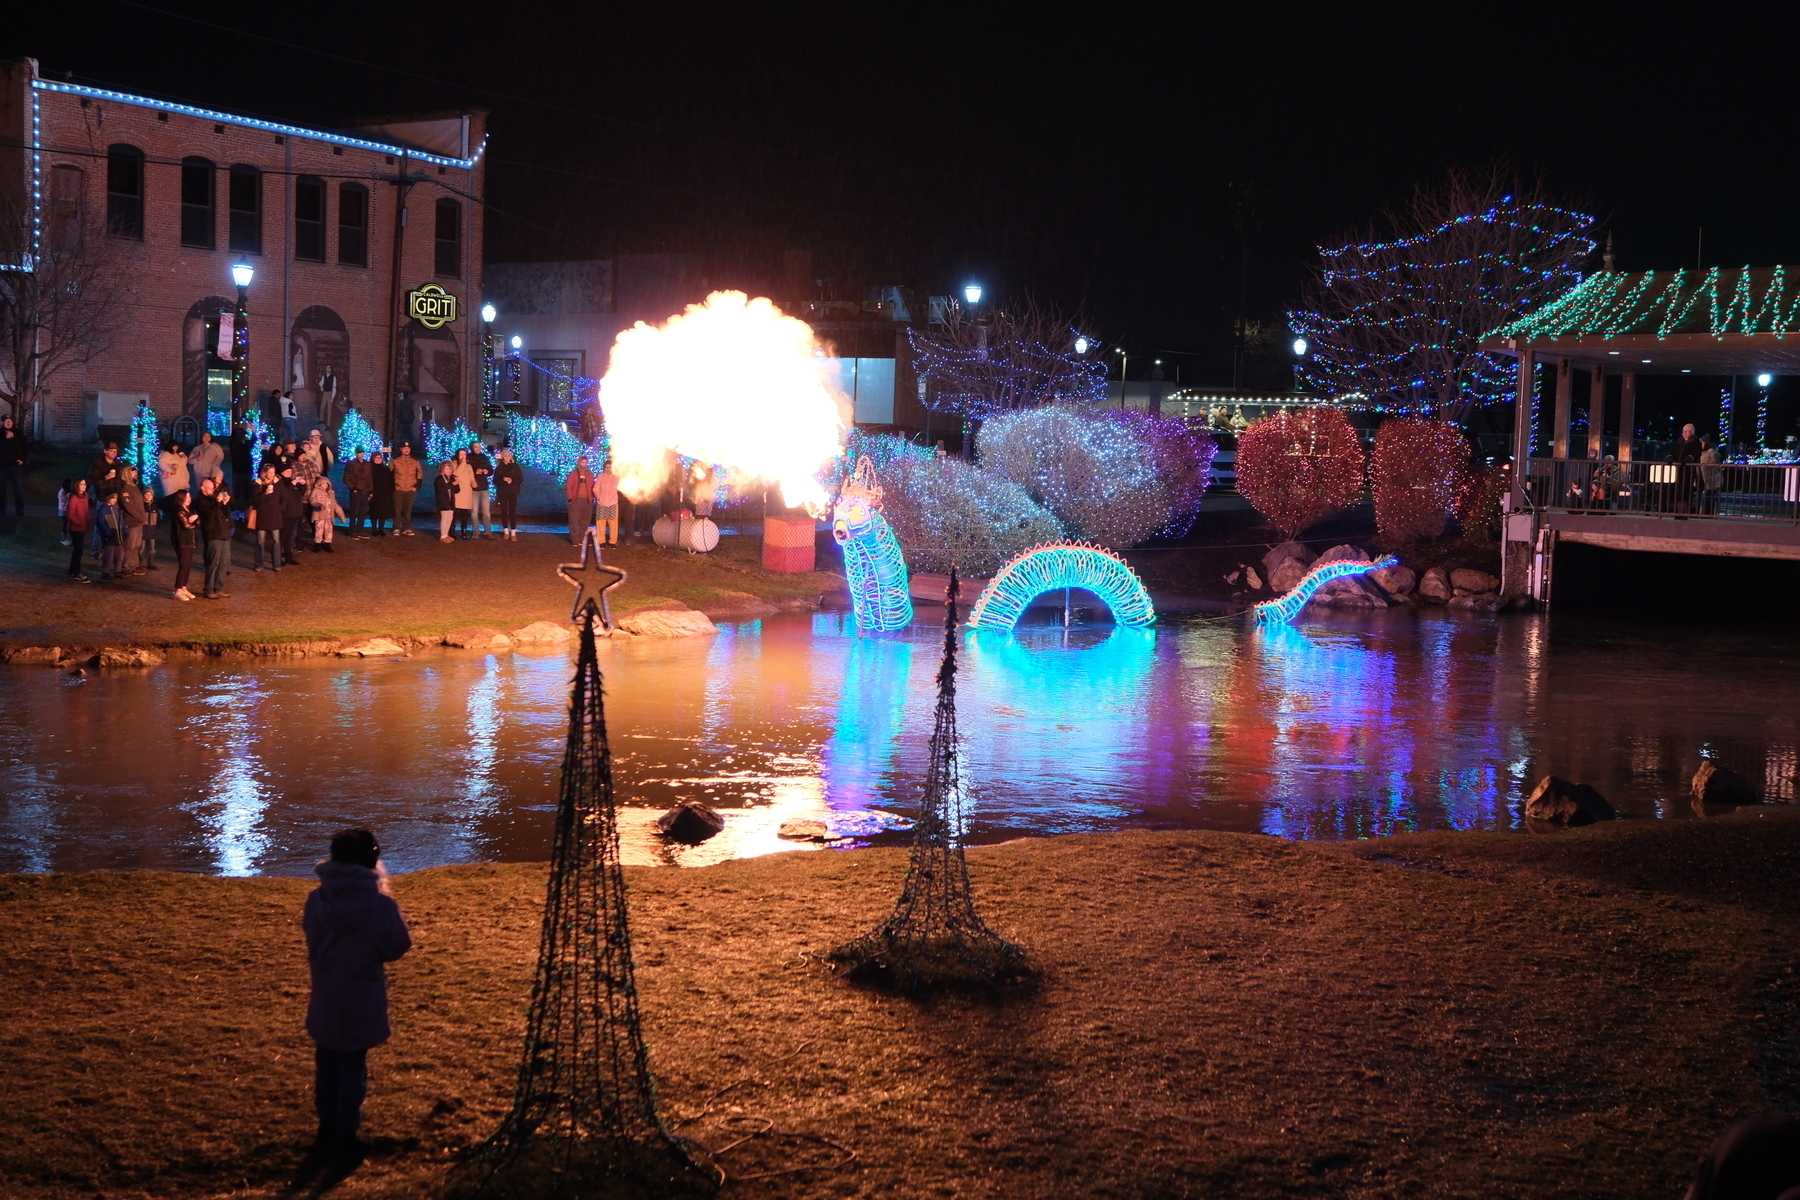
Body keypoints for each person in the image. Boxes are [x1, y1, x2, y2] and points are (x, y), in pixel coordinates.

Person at [302, 828, 411, 1170]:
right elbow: (397, 946)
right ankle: (346, 1133)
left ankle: (326, 1125)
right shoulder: (379, 905)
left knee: (328, 1060)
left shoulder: (316, 900)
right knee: (353, 1064)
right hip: (361, 992)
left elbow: (312, 937)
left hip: (327, 991)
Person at [195, 477, 234, 599]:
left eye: (213, 488)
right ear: (203, 488)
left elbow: (225, 514)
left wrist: (225, 504)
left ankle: (219, 588)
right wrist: (217, 502)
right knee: (213, 563)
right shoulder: (201, 501)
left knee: (223, 562)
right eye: (210, 488)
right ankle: (208, 589)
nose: (213, 490)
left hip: (223, 533)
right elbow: (209, 516)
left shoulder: (213, 498)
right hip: (213, 535)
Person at [249, 466, 287, 572]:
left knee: (276, 540)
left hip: (275, 516)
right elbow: (255, 500)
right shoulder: (258, 484)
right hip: (262, 516)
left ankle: (277, 564)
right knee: (260, 540)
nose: (272, 474)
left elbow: (284, 497)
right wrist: (264, 494)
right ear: (264, 473)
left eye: (273, 472)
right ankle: (259, 564)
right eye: (270, 472)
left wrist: (280, 509)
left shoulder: (278, 483)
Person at [168, 489, 198, 601]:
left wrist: (197, 519)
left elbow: (195, 522)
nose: (189, 499)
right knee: (184, 564)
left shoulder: (187, 509)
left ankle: (183, 587)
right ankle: (178, 590)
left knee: (188, 564)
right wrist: (197, 521)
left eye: (190, 497)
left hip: (189, 540)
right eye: (187, 497)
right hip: (182, 541)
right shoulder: (179, 510)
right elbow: (187, 525)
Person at [118, 469, 148, 577]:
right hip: (131, 521)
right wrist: (139, 517)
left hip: (139, 521)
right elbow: (128, 506)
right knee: (130, 544)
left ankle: (134, 565)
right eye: (133, 472)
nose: (135, 474)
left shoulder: (134, 486)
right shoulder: (125, 488)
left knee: (136, 545)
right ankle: (125, 566)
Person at [390, 443, 422, 536]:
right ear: (401, 449)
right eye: (404, 448)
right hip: (398, 488)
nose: (406, 450)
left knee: (407, 509)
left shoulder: (415, 461)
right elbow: (389, 474)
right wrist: (393, 486)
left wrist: (416, 487)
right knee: (397, 509)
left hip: (410, 488)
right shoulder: (395, 460)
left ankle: (406, 527)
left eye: (408, 448)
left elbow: (419, 474)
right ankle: (396, 527)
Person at [64, 479, 91, 582]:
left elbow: (86, 512)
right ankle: (76, 572)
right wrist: (80, 523)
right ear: (76, 486)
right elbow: (70, 514)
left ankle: (73, 571)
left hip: (82, 527)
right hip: (76, 528)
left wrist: (86, 524)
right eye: (81, 484)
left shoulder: (85, 496)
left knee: (78, 550)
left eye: (85, 484)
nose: (84, 486)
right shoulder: (74, 498)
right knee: (78, 551)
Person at [308, 473, 343, 552]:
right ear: (319, 483)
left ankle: (327, 544)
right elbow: (312, 500)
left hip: (329, 516)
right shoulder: (316, 491)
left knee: (329, 530)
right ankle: (317, 544)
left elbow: (334, 504)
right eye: (323, 483)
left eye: (326, 483)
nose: (325, 485)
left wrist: (341, 515)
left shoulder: (330, 493)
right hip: (319, 514)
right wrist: (318, 505)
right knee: (319, 530)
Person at [0, 414, 27, 515]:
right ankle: (2, 509)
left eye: (10, 421)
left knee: (18, 489)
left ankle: (20, 509)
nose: (8, 423)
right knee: (1, 489)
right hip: (2, 466)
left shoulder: (18, 433)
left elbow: (25, 448)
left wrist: (23, 459)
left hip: (15, 466)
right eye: (6, 421)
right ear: (2, 422)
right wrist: (4, 438)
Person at [494, 448, 523, 540]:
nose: (507, 457)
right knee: (504, 511)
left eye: (508, 456)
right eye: (505, 456)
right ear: (502, 457)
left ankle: (513, 532)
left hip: (513, 491)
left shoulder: (515, 467)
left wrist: (512, 480)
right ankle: (506, 531)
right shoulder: (499, 468)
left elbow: (520, 479)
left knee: (512, 511)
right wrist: (503, 480)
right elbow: (495, 480)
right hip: (502, 491)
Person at [96, 489, 125, 579]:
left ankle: (118, 570)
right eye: (112, 498)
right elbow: (101, 524)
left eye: (115, 498)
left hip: (118, 535)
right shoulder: (103, 510)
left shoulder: (117, 509)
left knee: (119, 554)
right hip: (109, 537)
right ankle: (106, 571)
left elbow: (121, 521)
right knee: (109, 554)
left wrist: (125, 530)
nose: (114, 500)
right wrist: (108, 533)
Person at [467, 441, 494, 538]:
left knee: (486, 511)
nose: (478, 448)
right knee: (474, 512)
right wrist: (475, 471)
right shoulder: (468, 458)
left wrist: (487, 471)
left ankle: (487, 531)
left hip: (484, 487)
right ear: (472, 448)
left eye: (479, 447)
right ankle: (476, 532)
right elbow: (467, 472)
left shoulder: (485, 458)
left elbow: (491, 470)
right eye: (475, 447)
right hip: (473, 488)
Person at [343, 450, 373, 539]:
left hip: (365, 491)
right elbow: (346, 477)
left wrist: (370, 490)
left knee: (363, 511)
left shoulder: (367, 464)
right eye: (360, 453)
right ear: (356, 454)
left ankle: (360, 530)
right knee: (354, 511)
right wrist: (352, 488)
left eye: (363, 453)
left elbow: (370, 478)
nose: (362, 455)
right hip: (356, 490)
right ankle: (352, 530)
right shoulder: (351, 464)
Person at [564, 459, 594, 545]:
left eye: (585, 462)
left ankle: (582, 538)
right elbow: (569, 486)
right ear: (579, 463)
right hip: (576, 499)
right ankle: (574, 539)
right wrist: (570, 498)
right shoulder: (573, 474)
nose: (584, 464)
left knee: (585, 520)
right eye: (582, 462)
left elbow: (593, 486)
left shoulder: (590, 474)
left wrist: (592, 498)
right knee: (574, 520)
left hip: (587, 500)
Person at [368, 452, 395, 537]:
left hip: (385, 493)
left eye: (380, 457)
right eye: (376, 458)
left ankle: (381, 529)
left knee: (383, 512)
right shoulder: (370, 469)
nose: (378, 459)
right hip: (374, 493)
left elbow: (391, 480)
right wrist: (370, 492)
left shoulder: (386, 469)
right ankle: (374, 529)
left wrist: (391, 490)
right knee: (374, 512)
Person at [451, 449, 475, 539]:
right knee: (454, 513)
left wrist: (473, 483)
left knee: (464, 514)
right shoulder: (453, 464)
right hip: (458, 493)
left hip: (466, 493)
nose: (463, 456)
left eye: (464, 454)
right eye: (461, 454)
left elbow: (472, 478)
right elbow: (456, 473)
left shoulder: (469, 466)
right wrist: (462, 463)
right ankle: (452, 531)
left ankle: (464, 531)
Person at [434, 461, 460, 542]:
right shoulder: (439, 479)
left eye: (449, 469)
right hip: (443, 501)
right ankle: (442, 535)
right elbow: (440, 489)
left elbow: (457, 491)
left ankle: (446, 534)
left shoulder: (451, 478)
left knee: (450, 518)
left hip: (450, 501)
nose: (448, 470)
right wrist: (452, 484)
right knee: (444, 518)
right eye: (446, 469)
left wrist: (456, 484)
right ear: (442, 470)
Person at [594, 459, 619, 545]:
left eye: (610, 467)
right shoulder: (600, 476)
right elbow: (595, 488)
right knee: (601, 523)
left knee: (613, 524)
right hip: (602, 503)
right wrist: (599, 497)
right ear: (604, 468)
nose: (608, 469)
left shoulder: (616, 477)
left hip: (613, 503)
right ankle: (601, 541)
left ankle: (613, 541)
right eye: (606, 467)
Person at [229, 421, 254, 502]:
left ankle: (244, 506)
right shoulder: (234, 444)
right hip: (238, 470)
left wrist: (253, 432)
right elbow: (238, 440)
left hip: (246, 470)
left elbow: (252, 442)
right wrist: (247, 430)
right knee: (237, 492)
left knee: (247, 491)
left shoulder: (245, 444)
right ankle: (237, 507)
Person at [1699, 435, 1723, 514]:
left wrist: (1711, 464)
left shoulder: (1710, 451)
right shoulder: (1702, 453)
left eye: (1702, 442)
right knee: (1707, 496)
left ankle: (1711, 512)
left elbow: (1717, 455)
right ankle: (1706, 511)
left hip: (1713, 479)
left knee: (1712, 496)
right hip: (1706, 478)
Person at [139, 486, 160, 570]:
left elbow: (158, 519)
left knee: (152, 549)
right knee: (141, 549)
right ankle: (139, 564)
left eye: (150, 495)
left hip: (152, 531)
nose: (148, 496)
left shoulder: (155, 507)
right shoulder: (141, 506)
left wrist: (156, 528)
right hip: (143, 531)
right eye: (146, 494)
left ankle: (150, 563)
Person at [57, 478, 73, 545]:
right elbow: (64, 501)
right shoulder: (62, 492)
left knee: (69, 525)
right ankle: (64, 539)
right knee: (65, 525)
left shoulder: (66, 492)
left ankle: (68, 539)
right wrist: (69, 495)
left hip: (67, 510)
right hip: (63, 510)